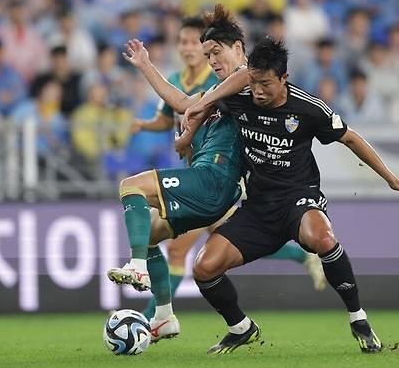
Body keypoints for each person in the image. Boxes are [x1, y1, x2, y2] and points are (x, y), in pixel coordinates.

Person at [177, 34, 399, 354]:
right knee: (203, 268)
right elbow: (195, 104)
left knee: (321, 238)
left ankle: (358, 318)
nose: (259, 91)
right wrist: (186, 137)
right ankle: (240, 327)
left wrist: (392, 180)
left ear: (284, 78)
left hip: (298, 198)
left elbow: (351, 139)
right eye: (253, 83)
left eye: (266, 83)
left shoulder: (308, 109)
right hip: (257, 208)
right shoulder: (239, 96)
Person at [128, 16, 326, 321]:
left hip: (216, 181)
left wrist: (193, 119)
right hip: (213, 181)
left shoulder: (250, 82)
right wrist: (145, 66)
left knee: (132, 188)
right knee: (151, 233)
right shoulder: (221, 91)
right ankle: (163, 316)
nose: (211, 60)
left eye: (216, 52)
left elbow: (242, 76)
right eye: (208, 55)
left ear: (237, 48)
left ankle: (139, 270)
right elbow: (181, 102)